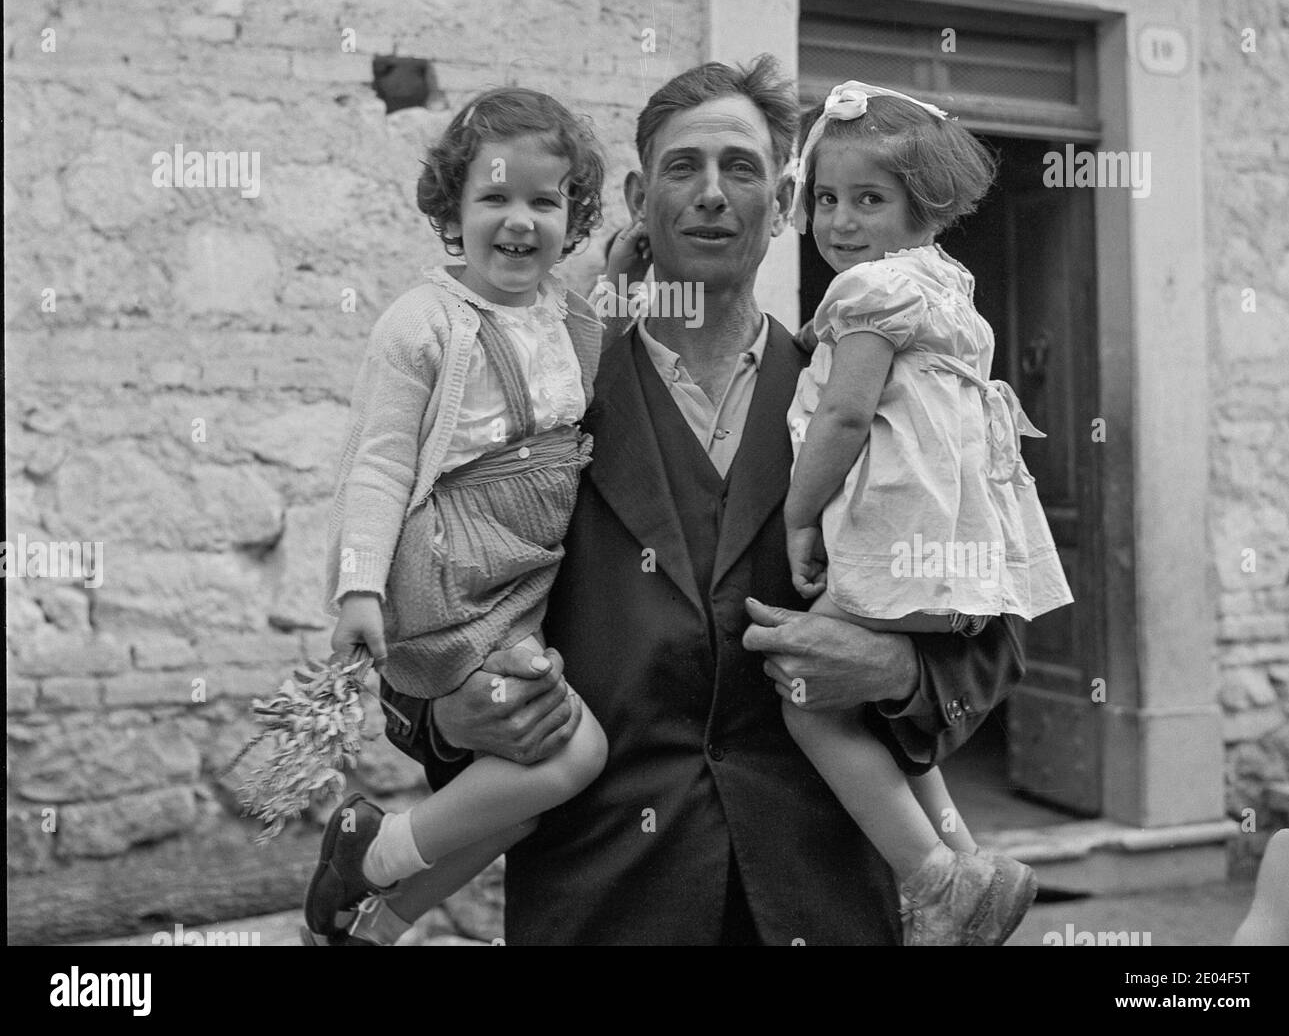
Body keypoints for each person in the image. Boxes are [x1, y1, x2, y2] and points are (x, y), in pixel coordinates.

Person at [348, 57, 1029, 946]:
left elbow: (993, 621)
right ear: (640, 195)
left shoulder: (894, 392)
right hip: (601, 905)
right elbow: (429, 580)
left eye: (741, 168)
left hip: (820, 907)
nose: (712, 193)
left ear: (784, 202)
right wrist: (440, 716)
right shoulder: (546, 396)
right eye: (683, 168)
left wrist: (898, 672)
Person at [302, 88, 609, 944]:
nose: (520, 221)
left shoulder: (568, 315)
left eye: (544, 201)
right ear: (453, 208)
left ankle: (369, 924)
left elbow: (597, 344)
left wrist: (628, 266)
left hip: (521, 570)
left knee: (506, 800)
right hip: (450, 570)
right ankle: (373, 850)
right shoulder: (424, 324)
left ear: (571, 215)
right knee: (572, 754)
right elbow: (377, 462)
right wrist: (359, 589)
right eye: (495, 198)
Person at [782, 81, 1073, 945]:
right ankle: (967, 864)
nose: (839, 221)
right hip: (954, 550)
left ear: (927, 208)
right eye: (825, 199)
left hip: (893, 531)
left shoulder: (870, 291)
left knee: (805, 697)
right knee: (871, 708)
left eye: (869, 200)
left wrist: (800, 514)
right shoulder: (946, 284)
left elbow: (842, 415)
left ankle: (931, 878)